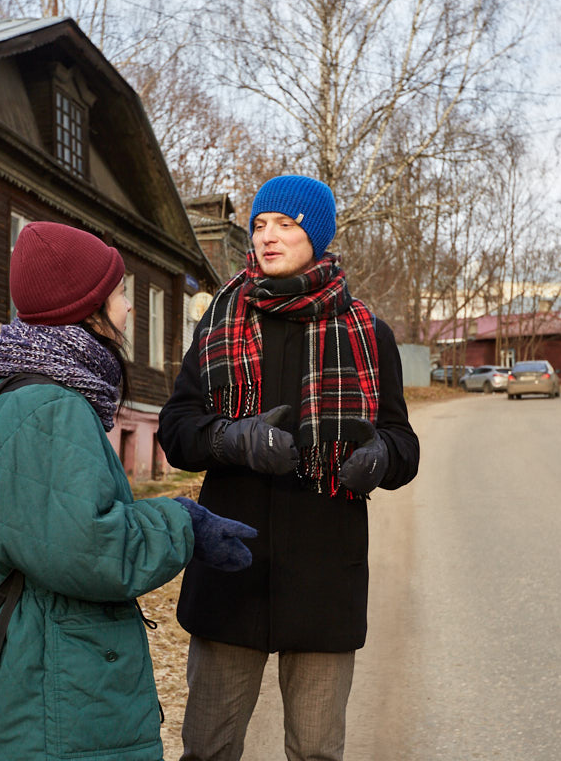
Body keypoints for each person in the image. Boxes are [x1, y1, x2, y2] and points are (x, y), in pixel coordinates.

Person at [0, 221, 258, 761]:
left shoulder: (44, 394)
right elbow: (90, 549)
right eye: (118, 293)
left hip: (55, 672)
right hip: (58, 688)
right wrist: (183, 522)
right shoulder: (49, 409)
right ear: (83, 308)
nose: (130, 307)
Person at [158, 176, 420, 761]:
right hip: (232, 568)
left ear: (318, 235)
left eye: (286, 223)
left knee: (318, 753)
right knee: (207, 749)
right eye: (259, 224)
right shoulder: (222, 322)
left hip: (325, 575)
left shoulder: (369, 335)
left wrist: (380, 458)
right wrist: (231, 438)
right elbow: (176, 430)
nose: (267, 236)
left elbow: (404, 440)